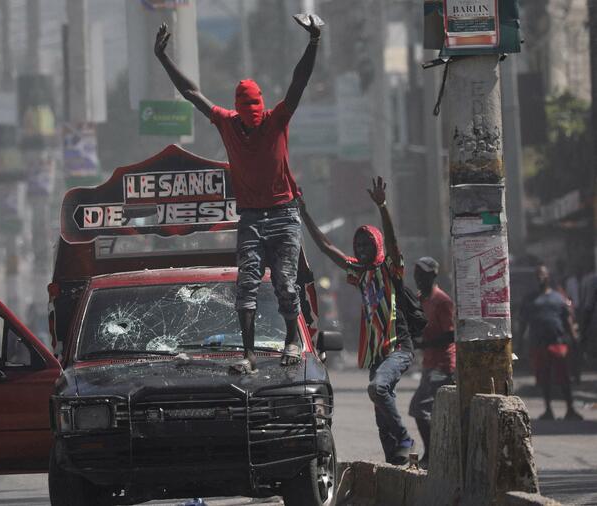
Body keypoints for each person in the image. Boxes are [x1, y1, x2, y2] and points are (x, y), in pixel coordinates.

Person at [154, 14, 321, 373]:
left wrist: (314, 42)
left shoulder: (276, 120)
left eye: (255, 115)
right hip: (250, 217)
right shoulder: (227, 122)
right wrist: (163, 58)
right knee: (245, 285)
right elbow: (191, 93)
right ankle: (248, 355)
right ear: (239, 112)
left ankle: (292, 339)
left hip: (283, 214)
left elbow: (299, 81)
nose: (252, 121)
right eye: (247, 116)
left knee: (286, 285)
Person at [299, 177, 416, 465]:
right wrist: (303, 213)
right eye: (358, 243)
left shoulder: (390, 269)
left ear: (376, 245)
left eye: (367, 243)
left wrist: (383, 207)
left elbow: (392, 242)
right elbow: (326, 247)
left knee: (377, 389)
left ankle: (405, 437)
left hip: (398, 348)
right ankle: (397, 462)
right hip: (378, 355)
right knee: (380, 413)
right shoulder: (359, 273)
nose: (362, 248)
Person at [408, 257, 455, 469]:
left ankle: (433, 454)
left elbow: (450, 335)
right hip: (429, 363)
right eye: (416, 274)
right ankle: (438, 453)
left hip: (442, 364)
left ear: (433, 275)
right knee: (426, 409)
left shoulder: (442, 301)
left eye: (423, 274)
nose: (418, 278)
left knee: (420, 408)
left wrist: (423, 343)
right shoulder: (420, 299)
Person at [520, 265, 583, 421]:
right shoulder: (530, 300)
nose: (541, 278)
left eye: (543, 275)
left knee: (564, 377)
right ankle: (548, 410)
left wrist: (574, 339)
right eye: (538, 275)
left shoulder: (558, 298)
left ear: (548, 277)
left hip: (557, 343)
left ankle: (570, 409)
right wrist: (520, 343)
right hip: (539, 344)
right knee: (544, 378)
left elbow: (567, 320)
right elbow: (523, 322)